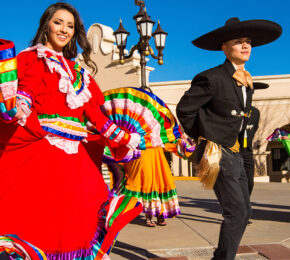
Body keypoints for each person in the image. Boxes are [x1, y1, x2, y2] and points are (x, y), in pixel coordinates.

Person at [0, 2, 143, 259]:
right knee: (44, 215)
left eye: (70, 25)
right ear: (46, 25)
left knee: (86, 206)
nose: (64, 30)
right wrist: (17, 108)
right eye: (58, 23)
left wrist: (124, 138)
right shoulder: (31, 58)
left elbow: (96, 114)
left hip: (77, 154)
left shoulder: (80, 72)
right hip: (44, 149)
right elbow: (25, 93)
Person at [176, 17, 282, 260]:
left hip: (240, 152)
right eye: (238, 42)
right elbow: (185, 110)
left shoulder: (246, 80)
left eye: (248, 42)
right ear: (225, 47)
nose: (246, 46)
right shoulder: (211, 78)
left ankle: (221, 256)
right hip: (218, 150)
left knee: (244, 211)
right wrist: (207, 136)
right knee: (236, 211)